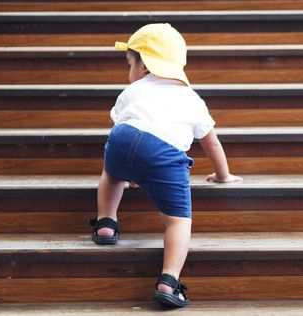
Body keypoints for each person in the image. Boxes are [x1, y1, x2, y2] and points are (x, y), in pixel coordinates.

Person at [89, 23, 242, 308]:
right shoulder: (192, 99)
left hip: (124, 141)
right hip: (164, 156)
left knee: (111, 173)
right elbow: (212, 144)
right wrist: (224, 175)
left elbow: (127, 128)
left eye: (129, 64)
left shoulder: (131, 92)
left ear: (144, 66)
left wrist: (132, 169)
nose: (129, 71)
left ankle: (106, 222)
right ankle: (168, 280)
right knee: (177, 220)